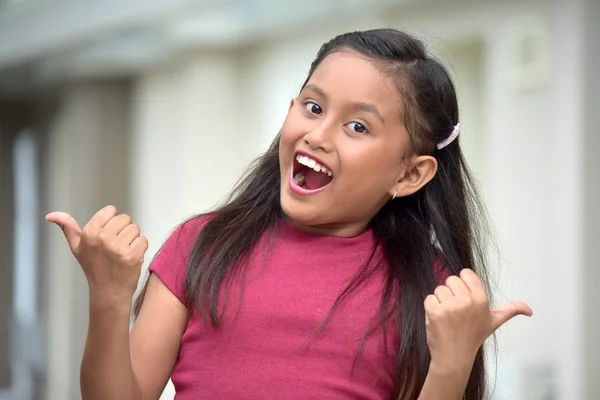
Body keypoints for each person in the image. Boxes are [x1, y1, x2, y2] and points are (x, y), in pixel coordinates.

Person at [46, 29, 532, 400]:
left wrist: (451, 365)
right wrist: (109, 296)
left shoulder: (429, 288)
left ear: (409, 174)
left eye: (358, 126)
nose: (318, 135)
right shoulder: (201, 246)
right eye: (314, 106)